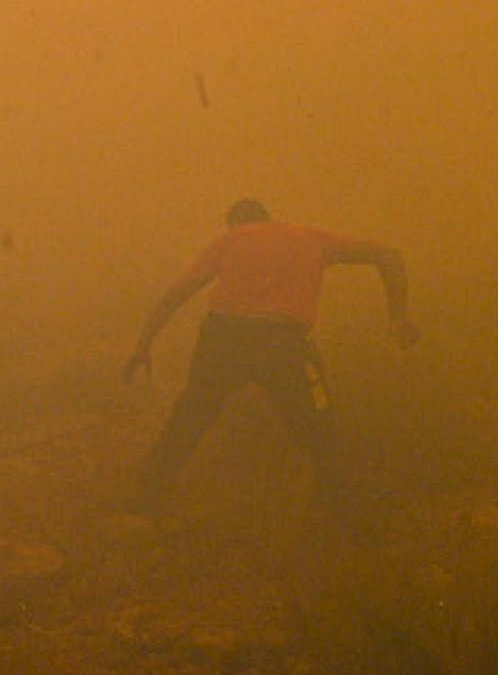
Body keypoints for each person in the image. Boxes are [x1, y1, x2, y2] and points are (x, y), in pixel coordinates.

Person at [123, 199, 419, 520]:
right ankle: (356, 523)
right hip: (283, 343)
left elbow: (175, 295)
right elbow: (389, 255)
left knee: (189, 419)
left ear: (235, 223)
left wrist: (143, 345)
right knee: (319, 432)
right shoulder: (309, 237)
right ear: (268, 219)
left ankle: (144, 502)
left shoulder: (230, 239)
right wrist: (398, 317)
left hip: (223, 338)